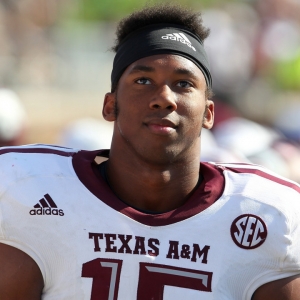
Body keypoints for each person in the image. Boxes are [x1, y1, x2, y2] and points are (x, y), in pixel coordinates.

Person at [0, 4, 299, 300]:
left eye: (183, 84)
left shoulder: (269, 214)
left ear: (209, 113)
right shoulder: (26, 189)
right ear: (110, 105)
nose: (164, 98)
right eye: (143, 81)